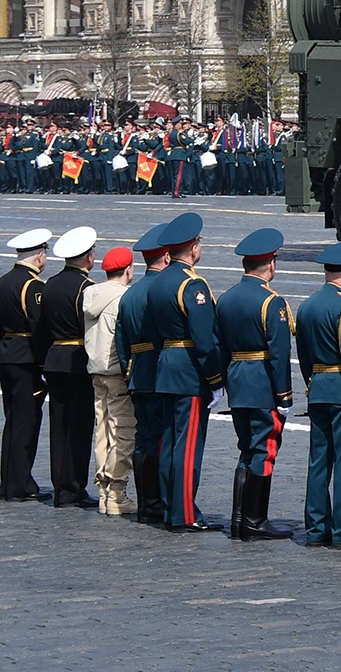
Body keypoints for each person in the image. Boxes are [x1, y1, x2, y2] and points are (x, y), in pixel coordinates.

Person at [215, 227, 295, 540]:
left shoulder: (226, 299)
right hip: (262, 384)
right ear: (270, 264)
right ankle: (255, 520)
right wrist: (284, 396)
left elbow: (220, 346)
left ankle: (238, 518)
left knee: (246, 448)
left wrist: (225, 381)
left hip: (237, 381)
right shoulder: (271, 302)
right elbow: (278, 354)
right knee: (265, 449)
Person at [148, 212, 226, 531]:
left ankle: (170, 505)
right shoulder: (193, 284)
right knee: (188, 444)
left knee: (169, 441)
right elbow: (204, 340)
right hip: (189, 371)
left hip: (165, 365)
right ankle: (184, 513)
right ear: (193, 248)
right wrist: (216, 379)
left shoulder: (158, 282)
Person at [293, 240, 341, 549]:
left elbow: (302, 353)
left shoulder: (307, 305)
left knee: (318, 462)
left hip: (318, 389)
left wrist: (311, 382)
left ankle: (316, 527)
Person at [36, 226, 99, 508]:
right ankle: (73, 486)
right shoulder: (86, 289)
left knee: (59, 426)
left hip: (53, 359)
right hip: (77, 361)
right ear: (87, 258)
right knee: (79, 426)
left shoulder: (49, 285)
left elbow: (41, 329)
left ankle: (60, 485)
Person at [116, 224, 171, 523]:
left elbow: (121, 340)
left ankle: (146, 502)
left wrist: (130, 369)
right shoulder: (162, 290)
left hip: (137, 371)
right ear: (165, 257)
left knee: (143, 438)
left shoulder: (129, 294)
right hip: (160, 370)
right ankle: (159, 499)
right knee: (163, 437)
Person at [82, 246, 137, 516]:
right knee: (123, 432)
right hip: (116, 372)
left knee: (102, 431)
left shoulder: (91, 294)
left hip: (96, 370)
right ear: (128, 270)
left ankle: (104, 489)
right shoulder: (124, 298)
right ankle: (116, 490)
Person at [0, 228, 49, 503]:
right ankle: (19, 483)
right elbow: (39, 328)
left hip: (6, 355)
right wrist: (43, 365)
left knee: (13, 419)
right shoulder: (33, 286)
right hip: (26, 358)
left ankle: (10, 479)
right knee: (25, 422)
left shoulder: (4, 281)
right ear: (39, 256)